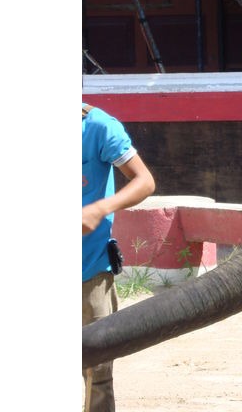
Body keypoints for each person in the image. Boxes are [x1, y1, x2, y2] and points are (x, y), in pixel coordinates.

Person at [82, 103, 155, 412]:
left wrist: (101, 208)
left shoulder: (97, 126)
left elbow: (144, 181)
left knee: (97, 374)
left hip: (89, 272)